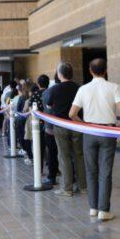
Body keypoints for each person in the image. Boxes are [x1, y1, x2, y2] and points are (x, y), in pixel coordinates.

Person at [69, 58, 120, 221]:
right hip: (107, 131)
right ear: (106, 70)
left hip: (89, 132)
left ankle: (93, 208)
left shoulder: (83, 89)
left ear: (90, 70)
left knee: (91, 170)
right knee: (106, 171)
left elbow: (72, 114)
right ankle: (104, 210)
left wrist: (84, 125)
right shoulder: (113, 87)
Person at [44, 62, 86, 197]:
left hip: (61, 126)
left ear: (59, 74)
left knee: (64, 156)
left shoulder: (54, 89)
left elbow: (49, 105)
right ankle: (83, 186)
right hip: (77, 125)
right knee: (79, 155)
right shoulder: (79, 88)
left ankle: (67, 189)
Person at [41, 73, 58, 186]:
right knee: (72, 154)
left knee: (52, 153)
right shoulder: (77, 88)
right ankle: (74, 178)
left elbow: (47, 109)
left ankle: (52, 176)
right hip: (72, 126)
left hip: (50, 127)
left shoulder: (47, 93)